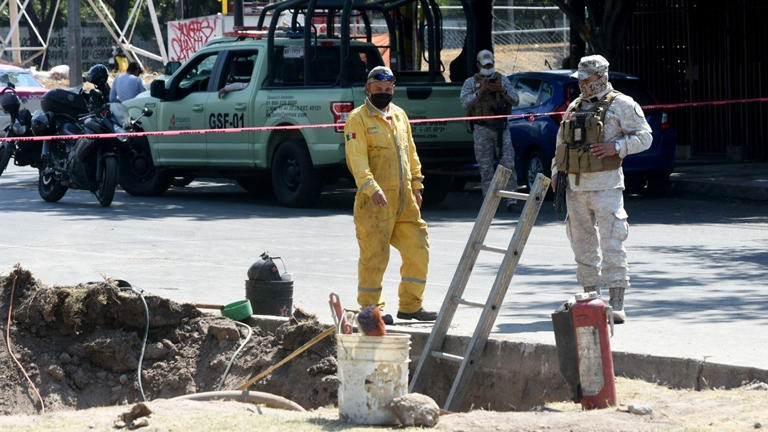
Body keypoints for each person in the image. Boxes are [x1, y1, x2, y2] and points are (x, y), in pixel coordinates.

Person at [551, 54, 652, 323]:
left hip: (606, 186)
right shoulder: (574, 106)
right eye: (580, 79)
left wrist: (616, 147)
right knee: (582, 245)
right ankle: (591, 300)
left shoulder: (622, 104)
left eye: (588, 78)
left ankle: (617, 302)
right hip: (575, 187)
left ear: (602, 76)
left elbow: (645, 137)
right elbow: (561, 144)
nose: (583, 83)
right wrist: (555, 172)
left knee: (612, 243)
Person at [344, 66, 436, 323]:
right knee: (375, 256)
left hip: (405, 200)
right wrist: (370, 187)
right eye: (379, 88)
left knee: (418, 248)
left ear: (393, 89)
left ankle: (411, 305)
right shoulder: (357, 119)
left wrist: (417, 184)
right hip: (374, 203)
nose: (384, 93)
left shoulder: (399, 115)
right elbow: (357, 158)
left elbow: (411, 153)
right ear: (368, 88)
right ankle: (371, 310)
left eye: (388, 89)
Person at [460, 49, 519, 205]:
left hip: (501, 128)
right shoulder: (470, 83)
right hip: (482, 129)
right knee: (485, 167)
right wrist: (481, 91)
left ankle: (511, 199)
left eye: (490, 64)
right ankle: (489, 200)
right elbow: (465, 103)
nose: (488, 67)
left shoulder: (502, 80)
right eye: (485, 65)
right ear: (478, 64)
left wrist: (502, 90)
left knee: (508, 164)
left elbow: (515, 99)